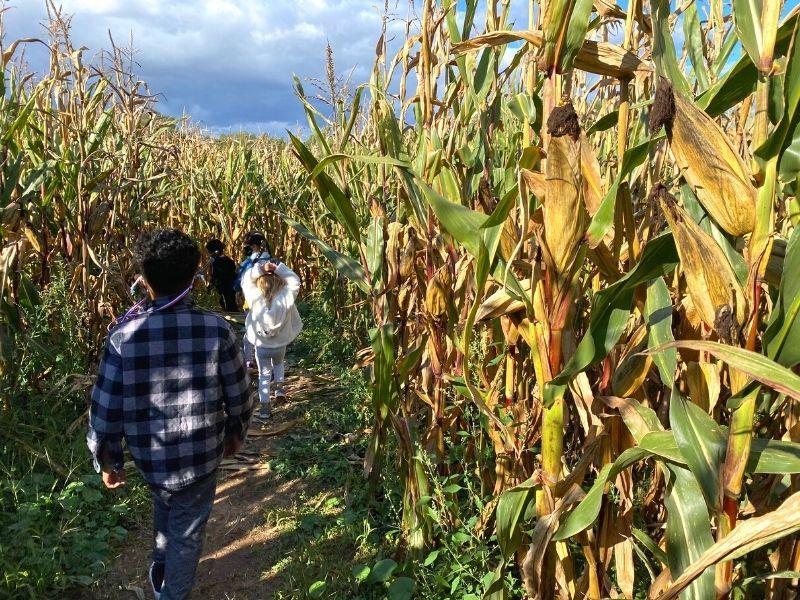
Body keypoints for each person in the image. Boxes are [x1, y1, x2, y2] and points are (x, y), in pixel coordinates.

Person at [87, 229, 252, 600]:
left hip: (151, 457)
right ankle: (170, 588)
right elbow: (239, 394)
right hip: (201, 455)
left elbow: (105, 408)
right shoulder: (217, 330)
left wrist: (108, 460)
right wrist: (236, 431)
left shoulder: (122, 338)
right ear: (196, 278)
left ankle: (162, 573)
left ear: (144, 282)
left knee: (168, 506)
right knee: (186, 533)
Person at [241, 259, 302, 420]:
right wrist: (279, 268)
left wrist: (261, 268)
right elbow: (295, 281)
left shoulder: (254, 297)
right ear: (277, 282)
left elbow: (246, 279)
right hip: (279, 345)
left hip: (262, 345)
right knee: (278, 364)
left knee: (264, 374)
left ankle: (265, 408)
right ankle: (280, 390)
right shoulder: (285, 298)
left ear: (259, 283)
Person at [234, 231, 272, 368]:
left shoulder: (248, 264)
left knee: (250, 331)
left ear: (253, 246)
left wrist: (237, 290)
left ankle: (249, 360)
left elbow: (239, 283)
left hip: (251, 302)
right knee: (266, 331)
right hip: (269, 301)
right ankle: (269, 363)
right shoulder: (273, 262)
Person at [205, 238, 238, 312]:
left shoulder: (216, 262)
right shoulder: (229, 261)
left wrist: (210, 286)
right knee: (230, 302)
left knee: (226, 304)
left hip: (223, 287)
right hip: (231, 286)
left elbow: (215, 276)